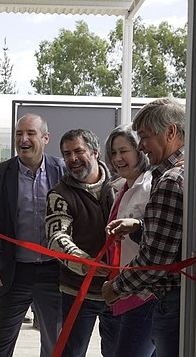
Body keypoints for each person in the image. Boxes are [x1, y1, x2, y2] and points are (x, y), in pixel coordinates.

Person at [0, 114, 66, 357]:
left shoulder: (63, 172)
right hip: (12, 273)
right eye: (19, 134)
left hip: (54, 272)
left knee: (56, 343)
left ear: (45, 138)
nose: (23, 139)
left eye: (30, 133)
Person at [102, 98, 186, 357]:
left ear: (170, 132)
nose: (141, 146)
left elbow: (155, 259)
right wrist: (139, 226)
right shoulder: (194, 169)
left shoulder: (170, 181)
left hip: (161, 298)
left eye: (144, 137)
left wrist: (115, 287)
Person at [45, 129, 120, 356]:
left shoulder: (122, 184)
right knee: (72, 352)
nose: (73, 159)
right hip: (77, 291)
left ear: (95, 152)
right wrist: (86, 264)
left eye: (79, 151)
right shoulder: (59, 194)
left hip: (120, 291)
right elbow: (57, 238)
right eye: (67, 154)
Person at [104, 124, 157, 357]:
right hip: (128, 288)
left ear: (140, 151)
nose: (118, 158)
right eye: (114, 152)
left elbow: (154, 239)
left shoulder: (148, 187)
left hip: (145, 293)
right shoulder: (123, 188)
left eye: (124, 151)